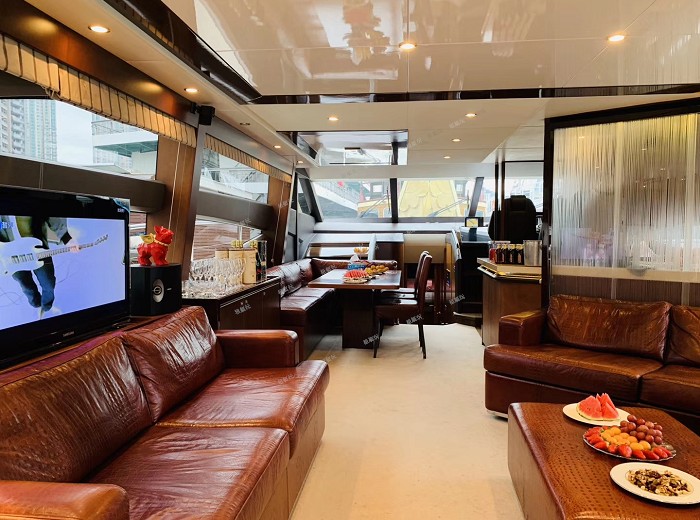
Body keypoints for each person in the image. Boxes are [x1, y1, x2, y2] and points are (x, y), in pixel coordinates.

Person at [0, 216, 78, 319]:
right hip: (10, 256)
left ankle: (46, 307)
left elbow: (51, 213)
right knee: (26, 286)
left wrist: (66, 238)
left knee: (49, 284)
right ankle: (36, 305)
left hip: (37, 247)